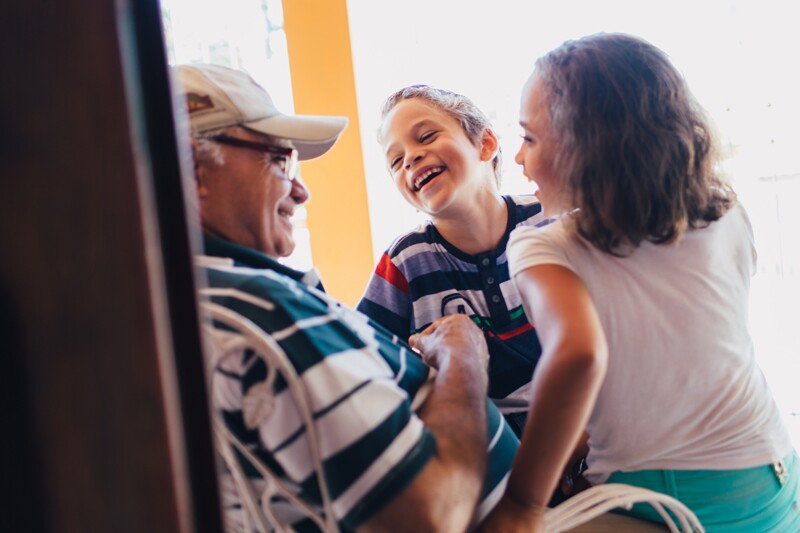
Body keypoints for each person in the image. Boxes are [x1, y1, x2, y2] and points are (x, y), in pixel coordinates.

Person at [171, 63, 519, 532]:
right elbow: (429, 517)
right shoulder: (266, 318)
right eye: (279, 160)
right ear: (193, 171)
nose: (301, 190)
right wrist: (464, 354)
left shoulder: (232, 297)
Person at [484, 33, 800, 532]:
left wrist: (522, 504)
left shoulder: (542, 245)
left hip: (673, 501)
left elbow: (577, 356)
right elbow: (679, 361)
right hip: (777, 481)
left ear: (585, 146)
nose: (519, 160)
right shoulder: (725, 211)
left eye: (529, 138)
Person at [357, 85, 549, 437]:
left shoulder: (549, 220)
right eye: (396, 161)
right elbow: (362, 365)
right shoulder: (404, 262)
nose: (410, 158)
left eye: (426, 136)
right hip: (487, 450)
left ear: (485, 144)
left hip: (585, 430)